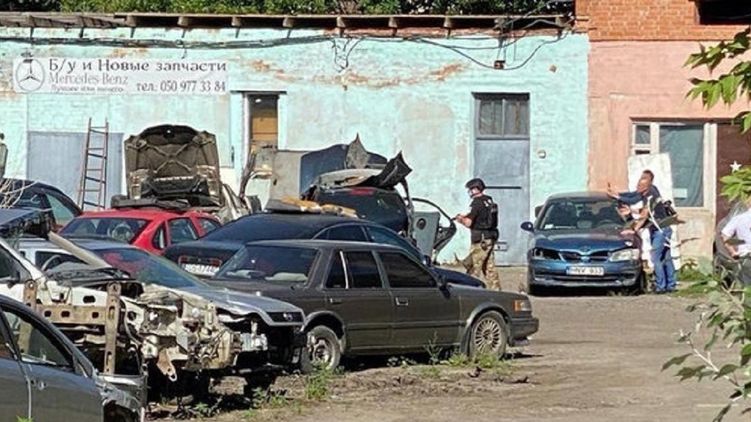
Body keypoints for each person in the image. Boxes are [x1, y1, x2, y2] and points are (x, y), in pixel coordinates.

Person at [610, 171, 676, 293]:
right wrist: (627, 206)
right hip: (661, 229)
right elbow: (639, 203)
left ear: (646, 187)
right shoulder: (649, 193)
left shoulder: (651, 196)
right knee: (666, 257)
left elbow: (644, 215)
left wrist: (633, 230)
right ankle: (671, 285)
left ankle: (661, 286)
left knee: (655, 258)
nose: (637, 188)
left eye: (640, 186)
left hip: (660, 230)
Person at [454, 178, 501, 290]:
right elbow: (482, 215)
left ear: (476, 189)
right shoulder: (488, 200)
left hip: (480, 240)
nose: (469, 192)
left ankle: (469, 291)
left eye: (470, 189)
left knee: (473, 268)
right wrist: (467, 215)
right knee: (489, 268)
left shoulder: (476, 203)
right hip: (490, 237)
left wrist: (460, 219)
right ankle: (496, 291)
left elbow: (469, 223)